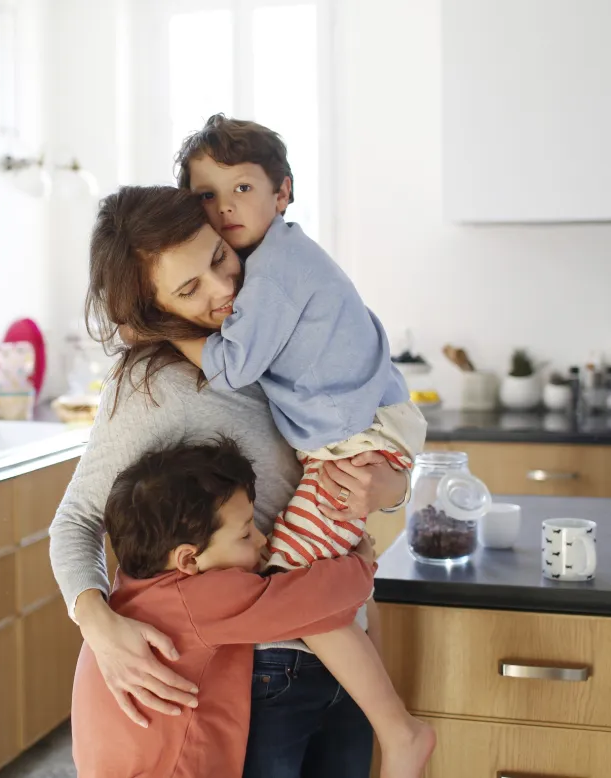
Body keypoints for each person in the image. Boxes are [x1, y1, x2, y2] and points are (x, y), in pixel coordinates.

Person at [51, 183, 408, 777]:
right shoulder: (152, 389)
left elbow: (363, 459)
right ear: (152, 309)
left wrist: (392, 491)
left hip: (347, 643)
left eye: (219, 257)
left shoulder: (281, 334)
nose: (224, 289)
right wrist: (99, 624)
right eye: (189, 289)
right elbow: (76, 521)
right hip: (262, 672)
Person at [166, 114, 435, 777]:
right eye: (207, 194)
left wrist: (158, 326)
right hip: (359, 434)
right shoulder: (280, 259)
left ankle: (399, 732)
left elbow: (229, 366)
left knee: (291, 581)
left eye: (243, 188)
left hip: (355, 442)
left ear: (282, 192)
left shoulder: (275, 274)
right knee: (334, 571)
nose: (225, 207)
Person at [71, 437, 378, 777]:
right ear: (188, 559)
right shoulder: (201, 598)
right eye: (245, 534)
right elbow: (310, 599)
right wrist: (361, 565)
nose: (262, 539)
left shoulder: (127, 588)